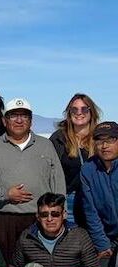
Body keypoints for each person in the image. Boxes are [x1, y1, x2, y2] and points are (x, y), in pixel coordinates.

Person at [0, 97, 66, 262]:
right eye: (13, 116)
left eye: (24, 116)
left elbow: (57, 180)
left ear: (31, 121)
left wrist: (60, 210)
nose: (19, 120)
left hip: (38, 218)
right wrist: (5, 194)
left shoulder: (45, 145)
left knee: (38, 266)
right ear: (4, 121)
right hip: (3, 219)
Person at [50, 93, 102, 227]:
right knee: (72, 238)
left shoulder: (101, 137)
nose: (79, 113)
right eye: (74, 109)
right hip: (69, 200)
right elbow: (49, 170)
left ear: (91, 112)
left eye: (84, 109)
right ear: (69, 113)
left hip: (98, 199)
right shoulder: (59, 138)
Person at [11, 193, 98, 267]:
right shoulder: (26, 237)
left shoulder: (80, 236)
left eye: (55, 214)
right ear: (38, 217)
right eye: (44, 215)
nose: (49, 219)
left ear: (64, 215)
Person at [80, 122, 118, 267]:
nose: (104, 145)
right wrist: (102, 244)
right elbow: (90, 211)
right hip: (106, 236)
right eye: (100, 140)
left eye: (111, 140)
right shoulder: (88, 169)